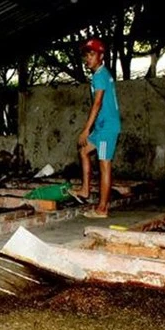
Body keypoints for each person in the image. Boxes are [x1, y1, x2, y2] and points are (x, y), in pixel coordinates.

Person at [70, 38, 122, 218]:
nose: (88, 59)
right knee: (84, 150)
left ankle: (102, 209)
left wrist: (86, 129)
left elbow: (97, 103)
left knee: (104, 165)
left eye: (92, 55)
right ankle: (85, 191)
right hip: (101, 127)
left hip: (107, 127)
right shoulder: (100, 74)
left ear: (101, 56)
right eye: (86, 55)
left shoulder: (100, 75)